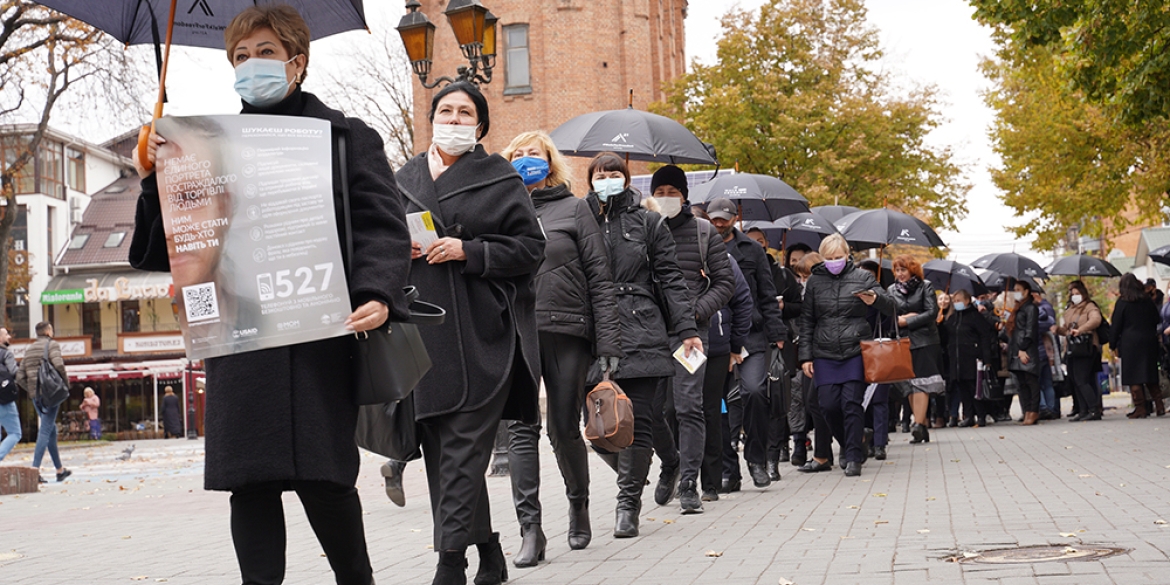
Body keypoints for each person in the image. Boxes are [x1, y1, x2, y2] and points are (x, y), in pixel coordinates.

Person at [131, 7, 411, 585]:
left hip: (319, 335)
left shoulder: (346, 136)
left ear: (296, 62)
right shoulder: (202, 148)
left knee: (327, 482)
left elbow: (384, 225)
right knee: (250, 486)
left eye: (263, 52)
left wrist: (377, 293)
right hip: (240, 344)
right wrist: (153, 180)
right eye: (239, 57)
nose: (249, 66)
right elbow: (167, 252)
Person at [395, 81, 545, 584]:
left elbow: (529, 250)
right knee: (444, 457)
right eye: (446, 111)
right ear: (432, 118)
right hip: (425, 339)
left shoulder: (499, 178)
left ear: (479, 126)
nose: (454, 119)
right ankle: (490, 552)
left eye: (465, 113)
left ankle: (449, 566)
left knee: (460, 450)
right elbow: (377, 246)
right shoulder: (404, 178)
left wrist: (469, 251)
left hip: (484, 336)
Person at [499, 130, 622, 562]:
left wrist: (607, 343)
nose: (525, 159)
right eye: (517, 154)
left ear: (550, 162)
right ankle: (530, 529)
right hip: (516, 330)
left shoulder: (574, 209)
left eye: (533, 153)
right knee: (520, 427)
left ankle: (579, 505)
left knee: (563, 428)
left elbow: (600, 280)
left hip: (567, 330)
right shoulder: (499, 210)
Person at [583, 152, 700, 538]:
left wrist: (686, 329)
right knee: (597, 424)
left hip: (641, 323)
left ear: (627, 179)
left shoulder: (649, 222)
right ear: (590, 179)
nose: (608, 178)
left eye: (615, 173)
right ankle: (663, 461)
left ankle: (627, 504)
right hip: (593, 328)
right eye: (601, 173)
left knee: (641, 419)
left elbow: (671, 279)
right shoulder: (578, 217)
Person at [644, 165, 735, 514]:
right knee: (654, 410)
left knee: (688, 407)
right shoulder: (643, 229)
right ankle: (671, 461)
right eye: (660, 191)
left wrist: (695, 313)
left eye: (672, 191)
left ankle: (688, 483)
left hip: (691, 338)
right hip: (649, 333)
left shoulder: (703, 232)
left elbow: (724, 283)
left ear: (684, 195)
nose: (666, 197)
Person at [706, 197, 787, 489]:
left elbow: (767, 295)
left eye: (723, 219)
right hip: (715, 334)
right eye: (713, 218)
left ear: (734, 218)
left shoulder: (752, 250)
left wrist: (777, 334)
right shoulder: (700, 245)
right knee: (718, 403)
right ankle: (729, 469)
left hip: (750, 334)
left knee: (754, 391)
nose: (718, 224)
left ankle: (756, 458)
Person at [798, 235, 894, 477]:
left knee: (851, 404)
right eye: (829, 259)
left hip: (855, 349)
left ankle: (853, 457)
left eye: (838, 257)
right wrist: (806, 357)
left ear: (847, 255)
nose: (834, 262)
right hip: (824, 351)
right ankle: (854, 442)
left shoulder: (862, 277)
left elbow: (892, 305)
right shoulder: (815, 282)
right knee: (828, 405)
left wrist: (875, 299)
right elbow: (807, 320)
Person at [701, 254, 752, 501]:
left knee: (717, 411)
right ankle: (684, 469)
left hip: (717, 349)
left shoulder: (725, 259)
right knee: (677, 412)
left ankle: (725, 471)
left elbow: (743, 301)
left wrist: (735, 346)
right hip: (677, 348)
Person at [887, 256, 946, 443]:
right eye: (897, 270)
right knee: (909, 384)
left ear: (912, 270)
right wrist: (900, 321)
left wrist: (908, 320)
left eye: (903, 270)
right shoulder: (890, 290)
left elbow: (931, 313)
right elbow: (889, 315)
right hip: (902, 342)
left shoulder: (925, 286)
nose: (900, 274)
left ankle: (919, 425)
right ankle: (919, 423)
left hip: (925, 341)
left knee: (922, 382)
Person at [15, 322, 72, 483]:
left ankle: (59, 470)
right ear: (47, 331)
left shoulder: (30, 349)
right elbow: (59, 364)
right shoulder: (52, 345)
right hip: (51, 394)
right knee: (46, 430)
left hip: (36, 397)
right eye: (51, 329)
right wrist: (66, 384)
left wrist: (31, 389)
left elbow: (19, 377)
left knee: (51, 429)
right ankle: (34, 471)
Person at [942, 289, 1001, 427]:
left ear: (967, 301)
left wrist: (986, 358)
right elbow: (946, 337)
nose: (956, 304)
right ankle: (968, 416)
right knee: (962, 387)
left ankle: (980, 415)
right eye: (955, 301)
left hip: (972, 357)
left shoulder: (975, 317)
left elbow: (984, 337)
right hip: (956, 358)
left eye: (959, 301)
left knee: (974, 387)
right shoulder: (952, 318)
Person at [1111, 274, 1164, 418]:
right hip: (1148, 340)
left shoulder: (1122, 303)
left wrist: (1112, 343)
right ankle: (1159, 405)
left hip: (1130, 342)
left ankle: (1140, 407)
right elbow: (1156, 319)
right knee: (1150, 373)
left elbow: (1116, 325)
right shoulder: (1147, 300)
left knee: (1134, 376)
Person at [1055, 281, 1105, 421]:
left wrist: (1081, 330)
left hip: (1086, 346)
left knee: (1082, 379)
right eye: (1073, 294)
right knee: (1075, 379)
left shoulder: (1090, 306)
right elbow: (1067, 329)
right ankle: (1083, 410)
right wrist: (1058, 330)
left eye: (1078, 293)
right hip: (1072, 348)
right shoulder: (1069, 309)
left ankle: (1094, 409)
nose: (1075, 296)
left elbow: (1096, 320)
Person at [1005, 279, 1042, 425]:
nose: (1016, 292)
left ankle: (1033, 411)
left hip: (1026, 350)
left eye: (1019, 289)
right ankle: (1026, 410)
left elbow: (1030, 330)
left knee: (1031, 381)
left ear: (1026, 291)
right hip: (1015, 349)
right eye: (1015, 289)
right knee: (1021, 384)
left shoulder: (1031, 308)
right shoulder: (1018, 308)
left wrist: (1023, 348)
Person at [1032, 288, 1059, 420]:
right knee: (1047, 383)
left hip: (1036, 353)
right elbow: (1050, 323)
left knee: (1037, 383)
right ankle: (1051, 408)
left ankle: (1043, 408)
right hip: (1045, 353)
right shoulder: (1045, 314)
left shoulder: (1034, 312)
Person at [0, 327, 21, 462]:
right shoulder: (5, 354)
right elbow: (14, 372)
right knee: (15, 433)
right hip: (4, 399)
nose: (9, 337)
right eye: (6, 334)